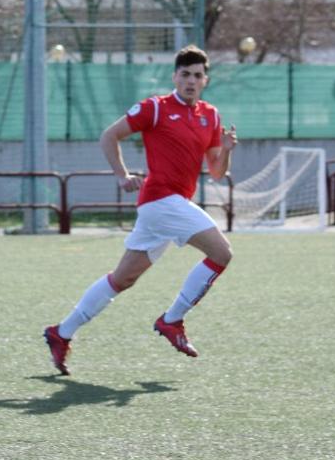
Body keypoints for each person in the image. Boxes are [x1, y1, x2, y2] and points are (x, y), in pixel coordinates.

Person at [43, 45, 236, 375]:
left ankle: (61, 333)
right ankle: (172, 320)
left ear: (206, 80)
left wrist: (227, 150)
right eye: (185, 74)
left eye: (197, 75)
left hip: (168, 207)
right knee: (222, 253)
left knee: (123, 279)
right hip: (161, 199)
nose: (191, 80)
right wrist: (122, 174)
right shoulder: (156, 108)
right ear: (175, 77)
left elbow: (217, 171)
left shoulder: (211, 115)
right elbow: (109, 136)